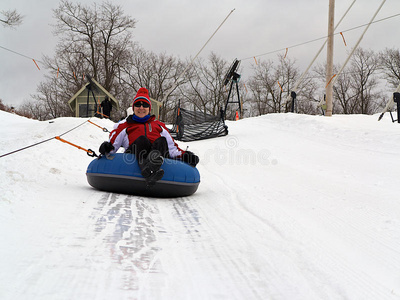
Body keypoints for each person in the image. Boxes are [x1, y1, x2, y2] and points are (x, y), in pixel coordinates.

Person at [99, 87, 199, 186]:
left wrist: (185, 156)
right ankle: (147, 169)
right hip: (135, 154)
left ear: (149, 108)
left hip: (158, 155)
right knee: (142, 140)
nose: (141, 108)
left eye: (145, 105)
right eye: (138, 105)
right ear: (133, 108)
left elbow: (172, 148)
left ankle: (153, 165)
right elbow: (113, 145)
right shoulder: (124, 126)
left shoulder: (159, 126)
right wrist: (107, 148)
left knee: (162, 141)